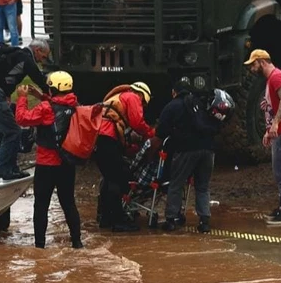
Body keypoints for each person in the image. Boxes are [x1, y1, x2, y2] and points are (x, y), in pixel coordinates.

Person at [14, 72, 83, 249]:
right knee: (68, 203)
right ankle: (77, 242)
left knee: (41, 205)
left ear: (52, 89)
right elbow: (59, 103)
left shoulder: (45, 108)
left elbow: (22, 118)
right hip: (67, 163)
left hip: (46, 164)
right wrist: (41, 96)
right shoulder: (75, 105)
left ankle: (40, 246)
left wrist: (22, 98)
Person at [0, 38, 50, 180]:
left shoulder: (15, 54)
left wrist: (7, 93)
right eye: (43, 56)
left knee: (4, 134)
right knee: (13, 132)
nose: (42, 61)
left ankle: (10, 168)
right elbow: (40, 80)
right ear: (37, 50)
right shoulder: (26, 58)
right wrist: (54, 96)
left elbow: (6, 74)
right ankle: (1, 169)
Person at [157, 81, 221, 232]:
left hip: (186, 149)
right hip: (208, 149)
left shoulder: (172, 106)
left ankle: (171, 220)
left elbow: (160, 131)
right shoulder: (200, 103)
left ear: (174, 92)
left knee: (176, 184)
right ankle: (204, 222)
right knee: (202, 186)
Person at [245, 48, 281, 224]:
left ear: (262, 62)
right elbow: (277, 101)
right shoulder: (271, 79)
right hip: (279, 131)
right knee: (279, 170)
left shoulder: (276, 77)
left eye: (253, 65)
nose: (252, 69)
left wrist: (275, 124)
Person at [96, 80, 155, 231]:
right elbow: (137, 122)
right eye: (144, 104)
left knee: (109, 179)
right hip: (108, 138)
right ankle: (117, 221)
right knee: (117, 178)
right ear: (142, 96)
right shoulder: (133, 97)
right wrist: (151, 134)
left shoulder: (119, 97)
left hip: (99, 139)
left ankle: (105, 217)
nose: (143, 106)